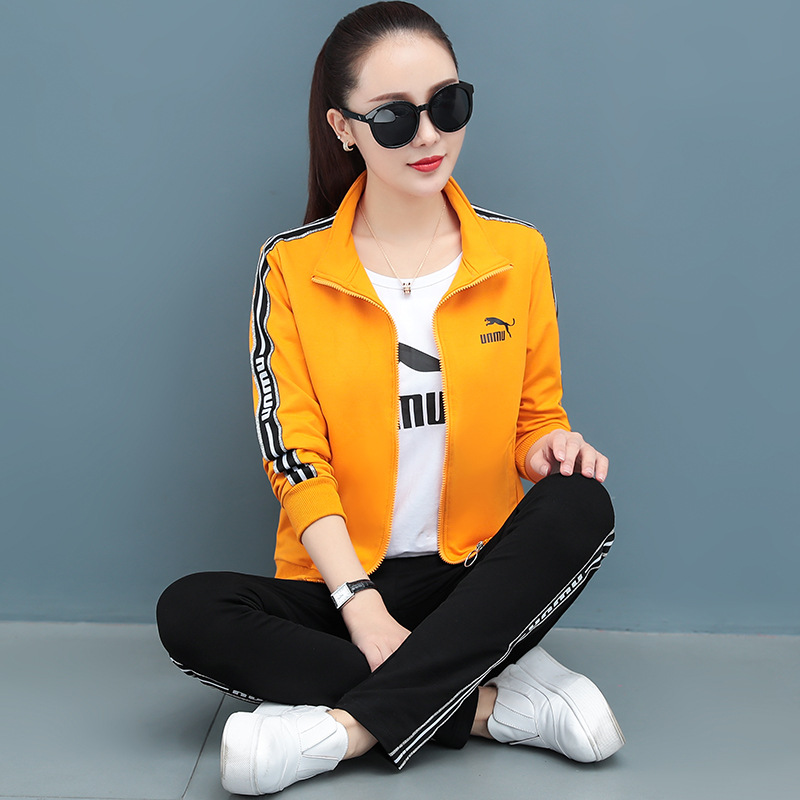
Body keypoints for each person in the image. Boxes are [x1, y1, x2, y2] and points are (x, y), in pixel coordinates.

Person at [156, 2, 624, 794]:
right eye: (395, 117)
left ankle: (338, 732)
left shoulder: (517, 254)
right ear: (344, 128)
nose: (429, 136)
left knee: (582, 503)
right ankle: (493, 706)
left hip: (470, 579)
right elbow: (293, 455)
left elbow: (536, 418)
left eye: (447, 104)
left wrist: (549, 448)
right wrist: (361, 605)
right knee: (190, 611)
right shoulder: (292, 269)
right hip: (343, 584)